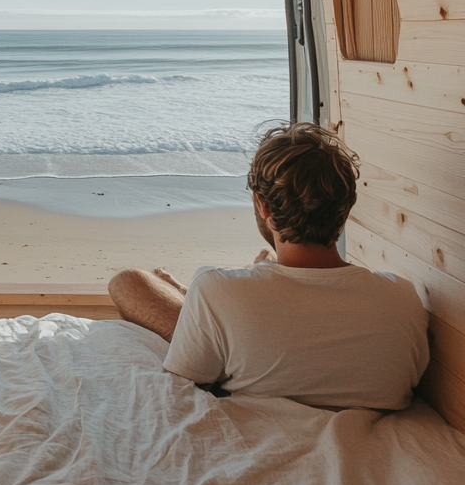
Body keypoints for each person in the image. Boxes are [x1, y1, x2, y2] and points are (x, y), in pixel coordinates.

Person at [107, 122, 429, 411]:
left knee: (128, 282)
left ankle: (192, 293)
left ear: (263, 206)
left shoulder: (216, 288)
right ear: (345, 209)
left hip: (230, 307)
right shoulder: (403, 300)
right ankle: (207, 288)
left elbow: (188, 379)